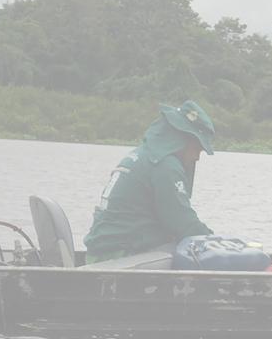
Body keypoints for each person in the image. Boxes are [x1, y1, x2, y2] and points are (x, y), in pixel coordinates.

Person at [84, 100, 217, 263]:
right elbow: (183, 223)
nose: (196, 157)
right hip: (119, 257)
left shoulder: (143, 154)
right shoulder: (164, 165)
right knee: (194, 256)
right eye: (197, 149)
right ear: (182, 139)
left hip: (98, 254)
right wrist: (215, 243)